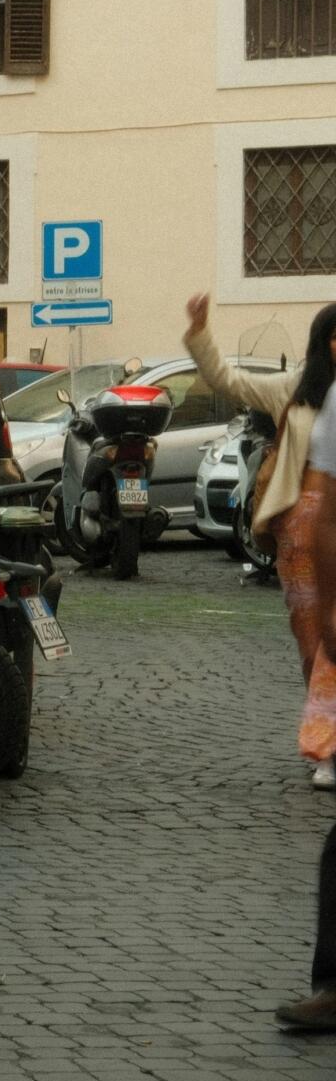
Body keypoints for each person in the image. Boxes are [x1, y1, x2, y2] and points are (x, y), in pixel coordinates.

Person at [189, 293, 336, 1032]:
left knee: (328, 654)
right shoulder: (298, 391)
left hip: (330, 532)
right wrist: (199, 333)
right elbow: (227, 381)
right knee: (313, 647)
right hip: (300, 534)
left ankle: (326, 743)